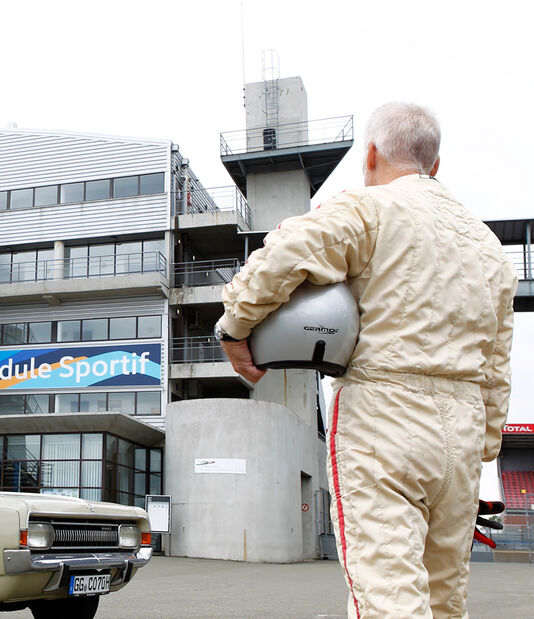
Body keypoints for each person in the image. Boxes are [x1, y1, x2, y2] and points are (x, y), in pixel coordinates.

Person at [214, 102, 517, 618]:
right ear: (434, 166)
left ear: (371, 153)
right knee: (445, 601)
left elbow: (285, 252)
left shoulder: (369, 210)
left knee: (387, 596)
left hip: (386, 417)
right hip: (462, 436)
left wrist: (235, 326)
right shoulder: (488, 246)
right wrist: (484, 445)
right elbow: (498, 358)